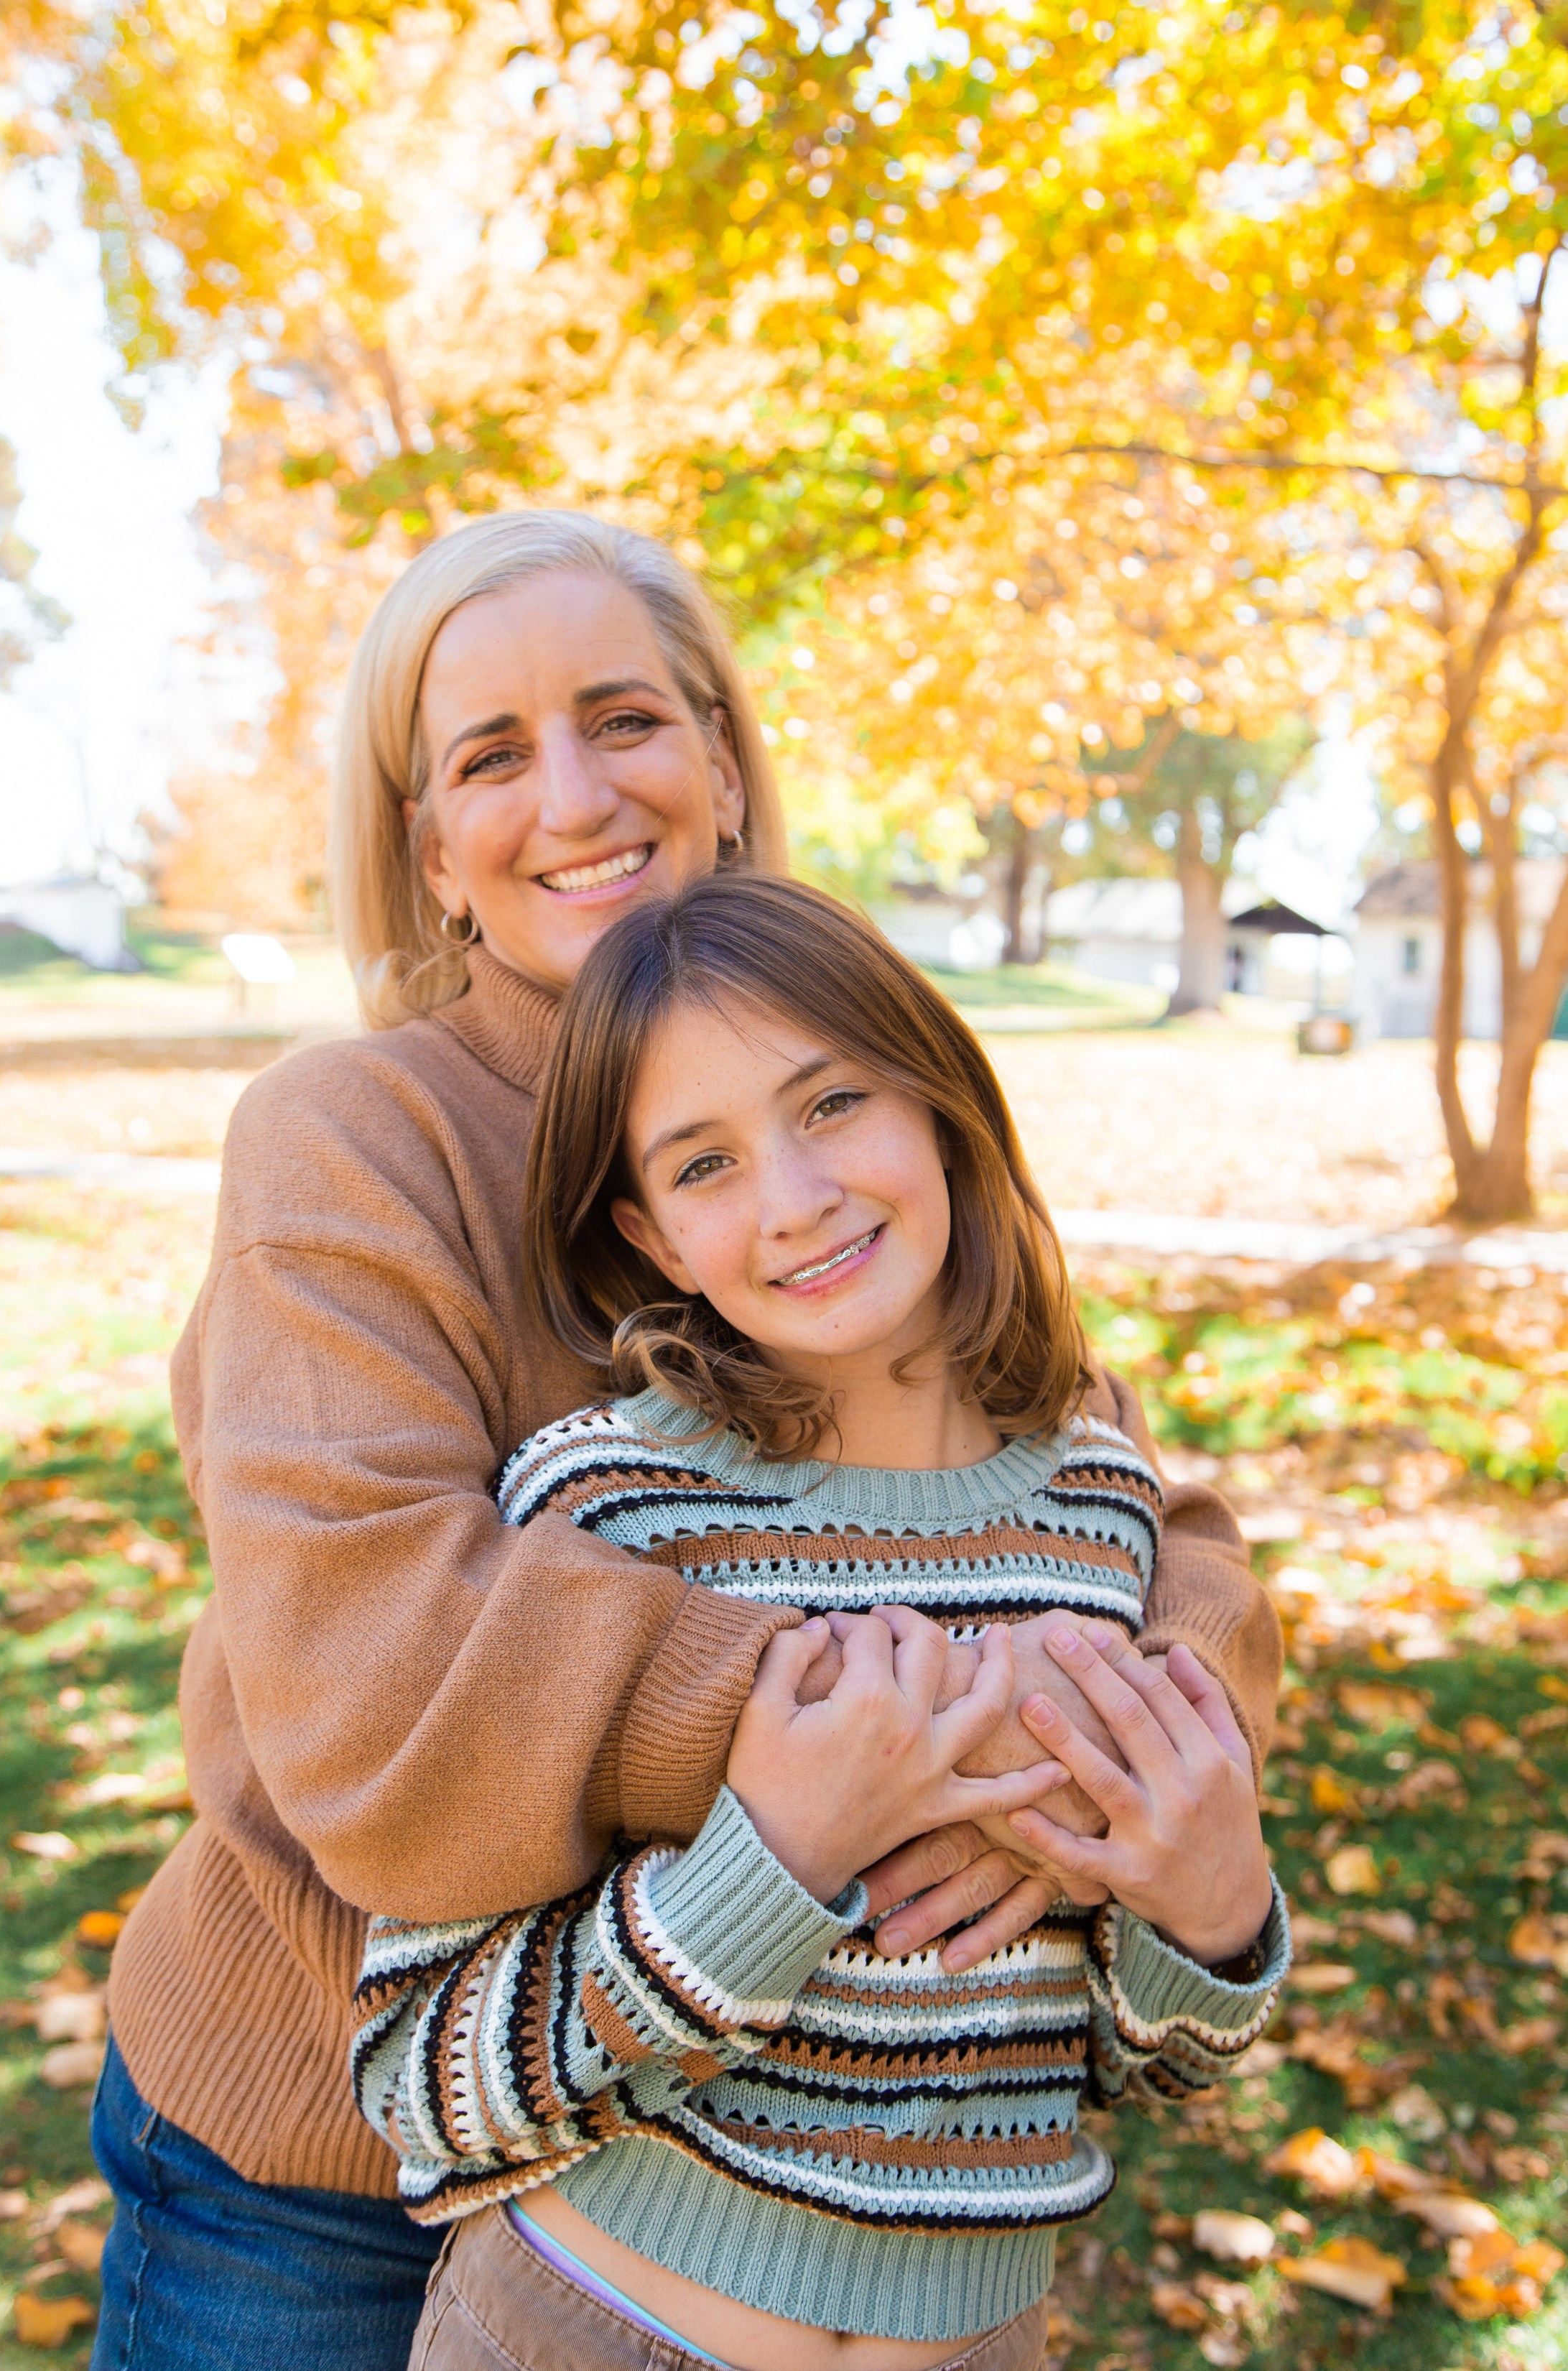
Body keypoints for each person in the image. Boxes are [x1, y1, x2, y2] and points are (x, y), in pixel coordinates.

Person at [92, 511, 1283, 2371]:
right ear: (430, 851)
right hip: (328, 2157)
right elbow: (377, 1675)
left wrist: (1125, 1756)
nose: (574, 796)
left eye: (626, 717)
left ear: (723, 761)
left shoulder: (830, 1093)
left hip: (796, 2165)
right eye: (491, 754)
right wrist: (933, 1733)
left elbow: (1127, 1504)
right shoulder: (351, 1135)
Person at [355, 874, 1289, 2371]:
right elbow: (420, 2074)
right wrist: (771, 1866)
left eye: (834, 1102)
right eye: (705, 1163)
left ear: (941, 1103)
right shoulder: (606, 1508)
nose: (792, 1200)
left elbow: (1146, 2064)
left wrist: (1216, 1913)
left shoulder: (1105, 1510)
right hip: (587, 2328)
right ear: (654, 1237)